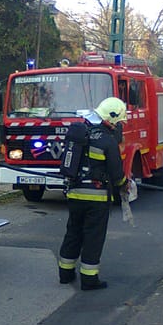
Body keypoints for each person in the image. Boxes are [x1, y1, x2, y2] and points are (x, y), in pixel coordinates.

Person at [58, 97, 129, 290]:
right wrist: (125, 185)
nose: (119, 126)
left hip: (74, 194)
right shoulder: (107, 141)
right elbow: (117, 174)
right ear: (112, 119)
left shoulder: (80, 134)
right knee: (93, 237)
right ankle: (89, 279)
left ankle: (65, 273)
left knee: (73, 232)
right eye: (119, 122)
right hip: (96, 198)